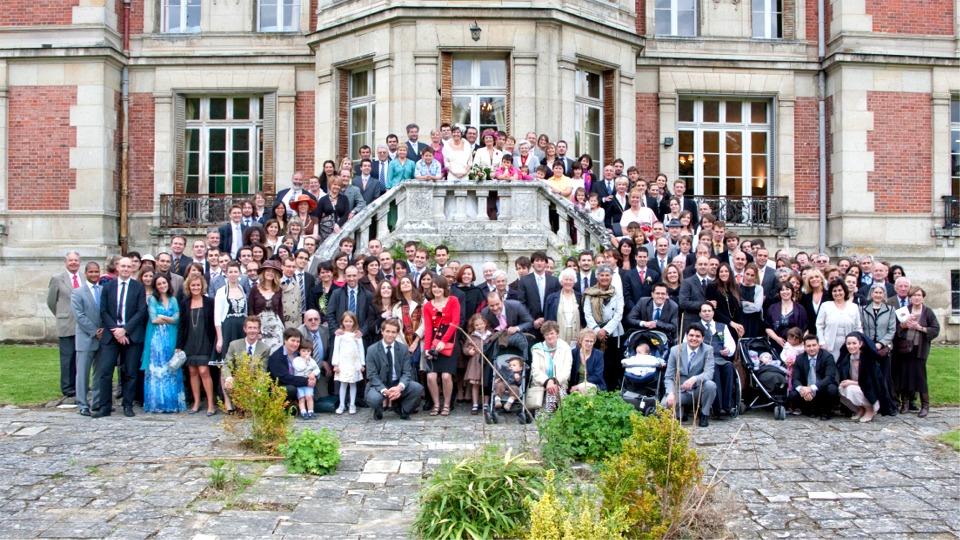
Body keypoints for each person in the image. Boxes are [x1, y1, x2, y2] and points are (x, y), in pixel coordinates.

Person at [94, 257, 147, 418]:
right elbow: (103, 311)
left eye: (129, 266)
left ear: (133, 269)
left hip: (131, 335)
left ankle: (127, 405)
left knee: (130, 372)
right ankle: (105, 406)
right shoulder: (108, 286)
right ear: (117, 267)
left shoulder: (138, 287)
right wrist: (116, 331)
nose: (125, 269)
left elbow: (141, 311)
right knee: (105, 371)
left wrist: (125, 330)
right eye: (123, 266)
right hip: (111, 335)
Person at [140, 274, 186, 413]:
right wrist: (171, 318)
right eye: (159, 284)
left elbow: (178, 318)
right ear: (155, 286)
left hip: (171, 338)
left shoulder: (173, 299)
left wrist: (164, 317)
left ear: (168, 284)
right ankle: (157, 403)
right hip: (156, 339)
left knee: (171, 368)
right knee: (157, 370)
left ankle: (171, 403)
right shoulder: (153, 299)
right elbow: (154, 319)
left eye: (164, 283)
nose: (162, 286)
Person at [364, 318, 425, 421]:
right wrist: (385, 391)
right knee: (374, 398)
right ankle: (378, 408)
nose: (390, 335)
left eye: (393, 332)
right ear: (382, 332)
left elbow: (406, 373)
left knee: (417, 388)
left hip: (397, 382)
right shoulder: (372, 350)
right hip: (379, 384)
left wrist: (399, 388)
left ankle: (402, 409)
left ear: (397, 334)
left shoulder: (403, 349)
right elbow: (372, 375)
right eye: (387, 331)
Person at [893, 287, 940, 418]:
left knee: (920, 377)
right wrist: (904, 325)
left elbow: (935, 329)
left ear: (923, 297)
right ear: (910, 297)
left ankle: (925, 405)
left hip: (920, 349)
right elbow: (895, 328)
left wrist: (919, 327)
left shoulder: (927, 312)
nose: (916, 298)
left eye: (919, 295)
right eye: (914, 295)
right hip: (904, 349)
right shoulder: (904, 311)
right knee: (904, 375)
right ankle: (905, 403)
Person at [661, 323, 715, 427]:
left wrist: (695, 379)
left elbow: (709, 372)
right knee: (664, 406)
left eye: (698, 336)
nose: (694, 338)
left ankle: (704, 414)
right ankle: (681, 410)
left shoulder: (708, 349)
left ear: (703, 338)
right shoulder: (675, 350)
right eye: (691, 335)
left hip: (698, 389)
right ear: (686, 336)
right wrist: (670, 393)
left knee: (711, 385)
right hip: (681, 390)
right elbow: (668, 376)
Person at [177, 274, 217, 416]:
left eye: (198, 285)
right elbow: (181, 326)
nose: (195, 288)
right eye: (193, 285)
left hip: (205, 340)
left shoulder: (209, 302)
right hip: (189, 341)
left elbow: (214, 322)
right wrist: (179, 345)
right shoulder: (185, 303)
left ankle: (211, 404)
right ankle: (196, 402)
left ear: (202, 286)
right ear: (189, 286)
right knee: (192, 372)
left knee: (204, 372)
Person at [423, 275, 462, 417]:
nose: (436, 289)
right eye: (434, 287)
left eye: (439, 286)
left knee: (446, 376)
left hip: (450, 342)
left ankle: (446, 404)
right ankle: (436, 404)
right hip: (433, 343)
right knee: (431, 377)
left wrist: (443, 341)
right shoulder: (427, 305)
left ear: (445, 288)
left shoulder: (453, 301)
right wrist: (427, 348)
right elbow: (428, 328)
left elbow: (455, 323)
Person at [583, 265, 625, 391]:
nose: (604, 278)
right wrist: (597, 330)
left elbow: (619, 314)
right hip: (594, 334)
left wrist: (606, 330)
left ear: (611, 277)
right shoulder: (590, 292)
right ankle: (595, 390)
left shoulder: (617, 292)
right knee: (596, 364)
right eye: (602, 275)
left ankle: (611, 392)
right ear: (597, 277)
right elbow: (587, 314)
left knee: (612, 365)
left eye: (607, 275)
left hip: (613, 334)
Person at [71, 261, 103, 417]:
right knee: (83, 372)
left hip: (102, 338)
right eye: (91, 272)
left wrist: (102, 330)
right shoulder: (77, 292)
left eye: (96, 272)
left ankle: (97, 401)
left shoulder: (104, 290)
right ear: (86, 273)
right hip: (86, 338)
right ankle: (82, 403)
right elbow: (79, 316)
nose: (94, 274)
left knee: (99, 372)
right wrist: (93, 331)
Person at [49, 251, 82, 400]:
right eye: (71, 260)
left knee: (80, 356)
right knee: (67, 357)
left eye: (76, 260)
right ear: (65, 262)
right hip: (66, 323)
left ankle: (79, 384)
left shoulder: (83, 277)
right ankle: (67, 387)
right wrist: (61, 315)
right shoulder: (57, 279)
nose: (74, 263)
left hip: (81, 324)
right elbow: (51, 301)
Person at [860, 283, 898, 413]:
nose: (877, 295)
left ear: (884, 295)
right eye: (875, 292)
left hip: (883, 349)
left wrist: (881, 343)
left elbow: (892, 330)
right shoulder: (863, 310)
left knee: (884, 377)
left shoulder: (890, 310)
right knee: (870, 376)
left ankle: (887, 405)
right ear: (871, 294)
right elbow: (861, 328)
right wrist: (870, 344)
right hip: (868, 348)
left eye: (880, 293)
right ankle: (872, 404)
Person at [836, 332, 887, 423]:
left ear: (860, 344)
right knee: (841, 388)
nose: (851, 346)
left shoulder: (868, 359)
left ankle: (870, 409)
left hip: (870, 390)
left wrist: (851, 382)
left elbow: (871, 381)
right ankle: (861, 409)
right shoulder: (848, 358)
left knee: (851, 389)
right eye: (848, 343)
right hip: (858, 386)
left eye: (854, 343)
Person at [697, 303, 737, 417]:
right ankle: (717, 407)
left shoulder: (722, 326)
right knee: (714, 368)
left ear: (713, 312)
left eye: (709, 310)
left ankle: (727, 405)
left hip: (720, 358)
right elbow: (687, 345)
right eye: (704, 311)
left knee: (729, 367)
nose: (707, 313)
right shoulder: (694, 327)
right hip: (703, 360)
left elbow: (730, 344)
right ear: (700, 313)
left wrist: (728, 350)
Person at [526, 321, 573, 416]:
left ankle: (550, 418)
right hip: (541, 385)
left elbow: (566, 370)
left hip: (559, 384)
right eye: (547, 334)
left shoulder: (565, 348)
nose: (550, 337)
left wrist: (554, 381)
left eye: (552, 333)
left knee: (552, 392)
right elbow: (535, 370)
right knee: (550, 392)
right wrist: (547, 382)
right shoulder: (537, 349)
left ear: (557, 333)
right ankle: (549, 418)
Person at [789, 334, 839, 420]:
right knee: (793, 394)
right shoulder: (799, 358)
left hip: (822, 389)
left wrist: (811, 388)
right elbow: (795, 379)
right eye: (808, 346)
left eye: (814, 345)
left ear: (818, 346)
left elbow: (830, 377)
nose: (811, 348)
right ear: (804, 347)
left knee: (832, 389)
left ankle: (826, 411)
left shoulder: (827, 357)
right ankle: (809, 409)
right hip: (807, 391)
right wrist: (802, 389)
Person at [816, 279, 863, 361]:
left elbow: (857, 327)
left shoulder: (854, 307)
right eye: (834, 291)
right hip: (829, 346)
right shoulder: (825, 306)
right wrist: (822, 343)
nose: (837, 293)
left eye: (840, 290)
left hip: (849, 346)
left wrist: (858, 343)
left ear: (845, 291)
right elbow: (819, 325)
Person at [267, 328, 316, 404]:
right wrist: (306, 381)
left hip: (299, 382)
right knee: (291, 389)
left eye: (298, 341)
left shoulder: (300, 353)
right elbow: (284, 378)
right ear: (285, 340)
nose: (295, 344)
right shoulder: (276, 357)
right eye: (292, 340)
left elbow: (312, 367)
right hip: (282, 385)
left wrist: (313, 378)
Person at [249, 260, 285, 353]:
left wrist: (283, 329)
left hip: (276, 328)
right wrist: (255, 329)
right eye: (268, 271)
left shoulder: (278, 289)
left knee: (276, 354)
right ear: (263, 272)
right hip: (260, 327)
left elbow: (280, 310)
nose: (270, 273)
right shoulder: (254, 289)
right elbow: (251, 310)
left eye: (273, 271)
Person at [460, 313, 492, 414]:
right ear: (473, 326)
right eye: (476, 325)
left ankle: (486, 404)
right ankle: (475, 404)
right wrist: (469, 352)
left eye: (481, 324)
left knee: (486, 384)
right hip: (475, 363)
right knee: (475, 384)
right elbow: (465, 348)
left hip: (487, 362)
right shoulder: (472, 336)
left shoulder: (491, 335)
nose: (479, 327)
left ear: (485, 323)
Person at [765, 282, 809, 349]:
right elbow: (767, 326)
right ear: (779, 292)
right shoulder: (772, 308)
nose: (785, 292)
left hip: (795, 346)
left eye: (787, 289)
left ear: (792, 291)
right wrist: (776, 338)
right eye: (782, 290)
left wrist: (801, 343)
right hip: (776, 344)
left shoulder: (800, 309)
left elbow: (805, 328)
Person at [569, 328, 606, 395]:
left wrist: (579, 386)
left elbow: (597, 376)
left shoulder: (598, 354)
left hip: (592, 386)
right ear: (580, 340)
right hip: (575, 386)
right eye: (586, 341)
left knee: (587, 388)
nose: (589, 344)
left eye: (591, 341)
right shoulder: (574, 353)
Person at [292, 338, 321, 419]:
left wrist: (313, 373)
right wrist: (304, 360)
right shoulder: (297, 360)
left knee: (309, 396)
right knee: (301, 398)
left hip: (309, 383)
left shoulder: (312, 361)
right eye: (303, 351)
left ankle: (311, 411)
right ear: (299, 351)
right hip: (299, 383)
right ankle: (303, 412)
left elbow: (317, 369)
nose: (306, 353)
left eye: (308, 351)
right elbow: (299, 368)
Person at [799, 268, 827, 336]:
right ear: (808, 281)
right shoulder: (805, 297)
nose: (814, 279)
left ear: (821, 279)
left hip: (827, 332)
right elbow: (804, 318)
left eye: (817, 276)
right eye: (811, 278)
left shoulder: (830, 296)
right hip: (811, 334)